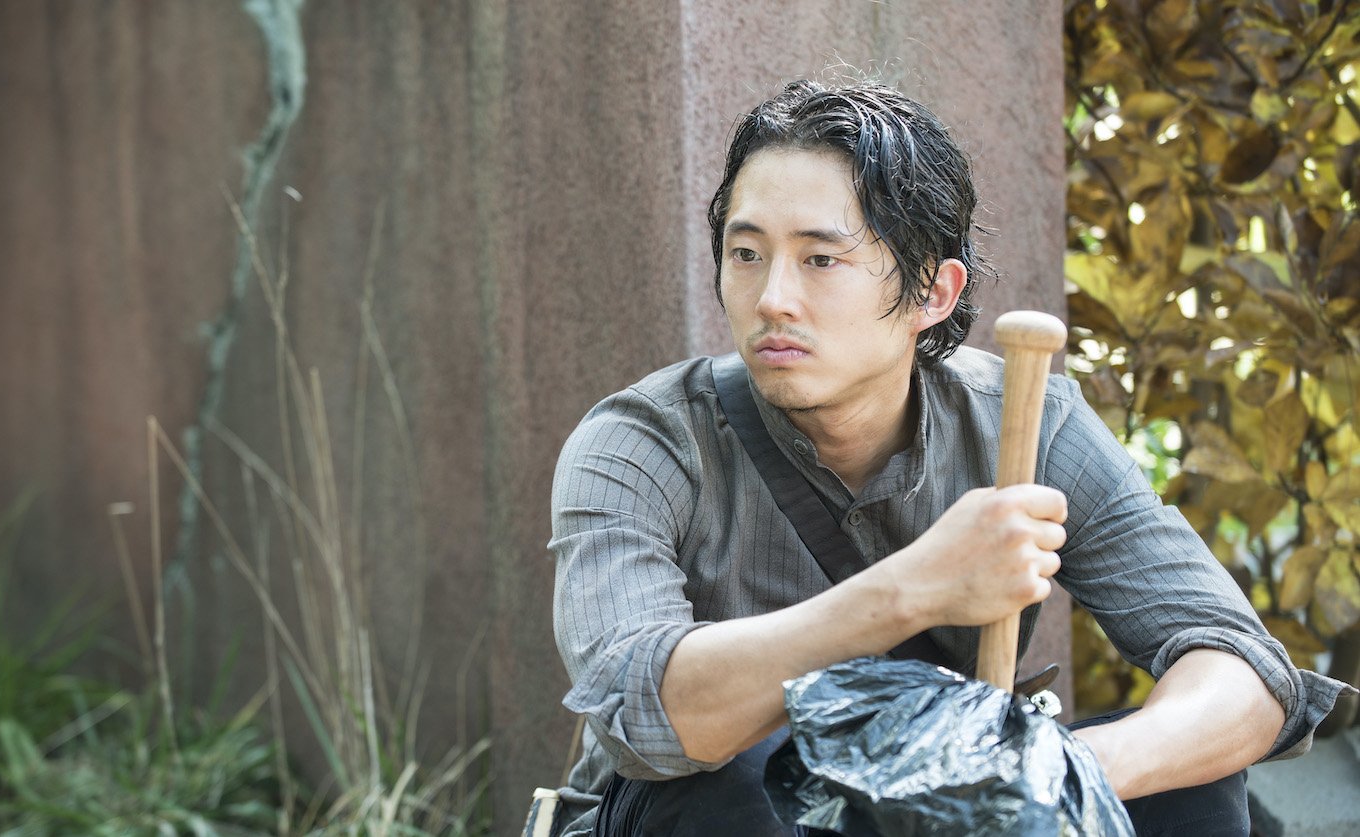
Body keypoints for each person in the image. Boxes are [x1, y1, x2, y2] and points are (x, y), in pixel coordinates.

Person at [548, 75, 1351, 836]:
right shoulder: (641, 442)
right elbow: (644, 714)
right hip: (701, 812)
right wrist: (912, 588)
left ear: (932, 292)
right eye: (747, 253)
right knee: (751, 771)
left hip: (930, 804)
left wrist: (1047, 772)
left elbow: (1246, 675)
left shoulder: (1028, 423)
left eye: (820, 259)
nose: (772, 299)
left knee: (1185, 780)